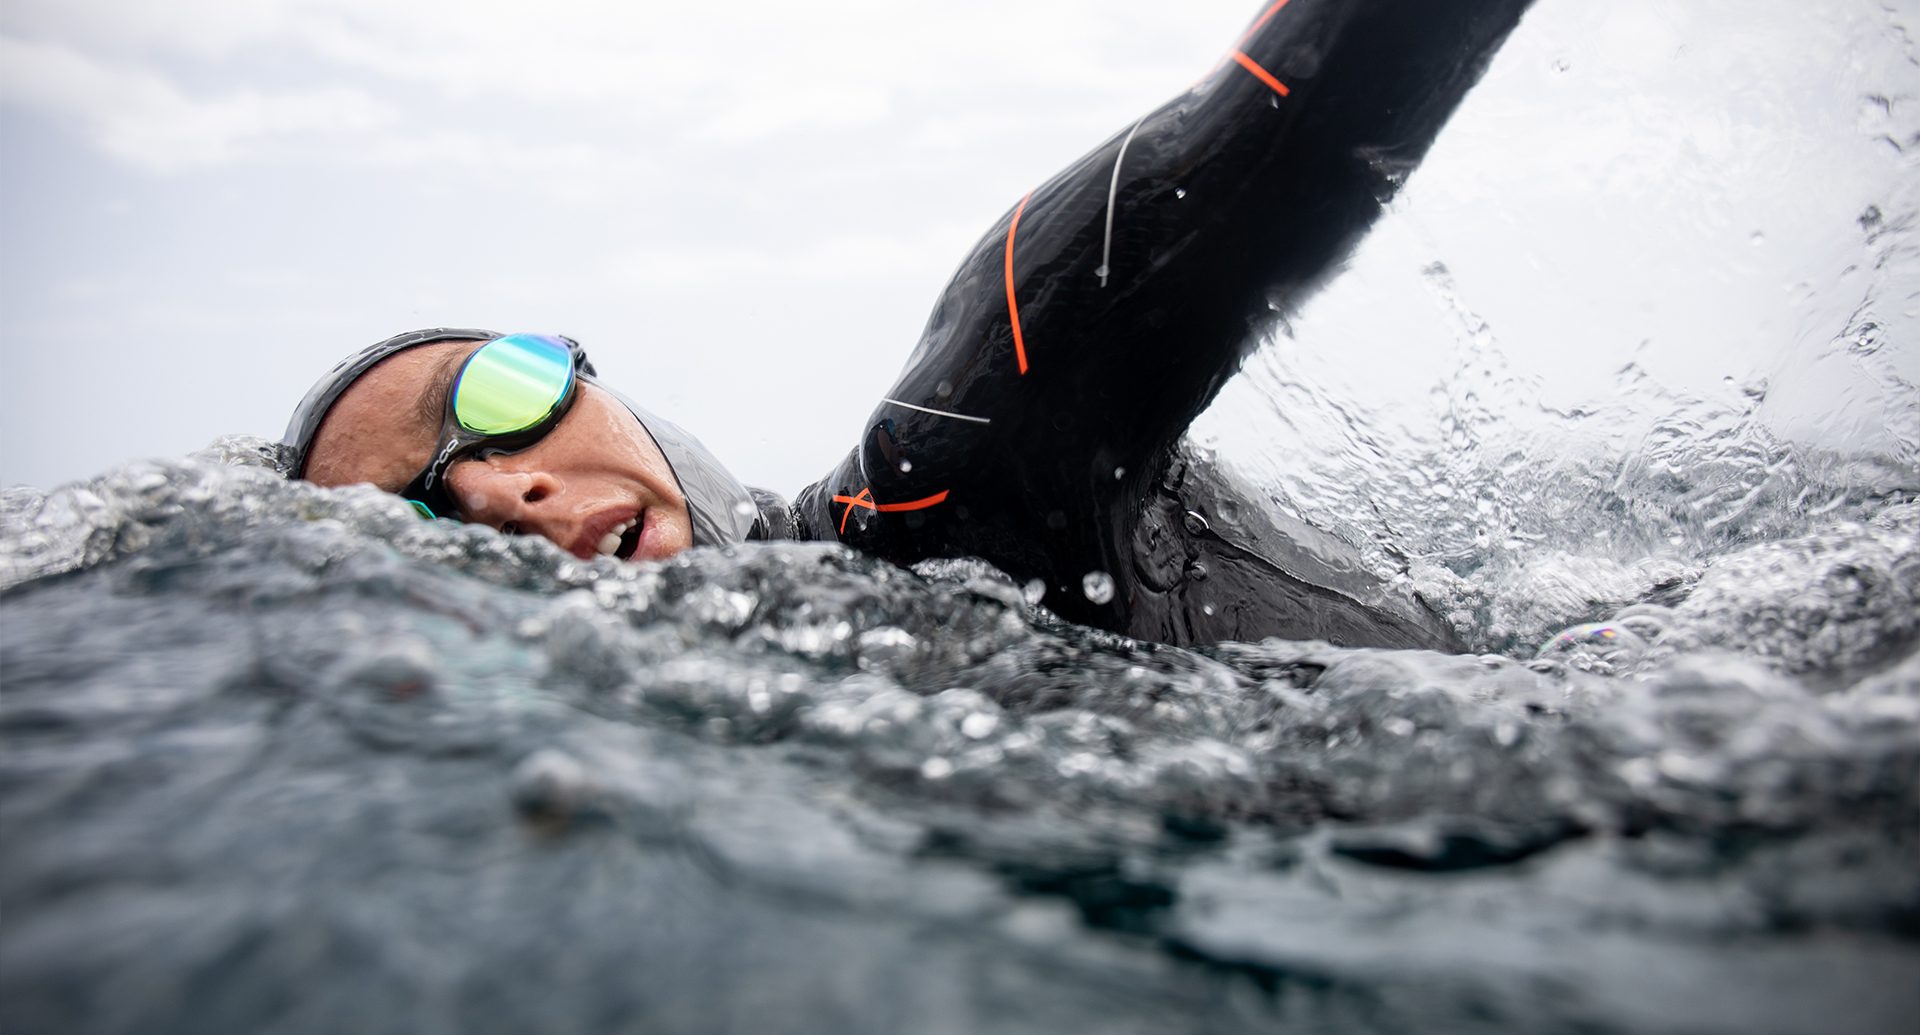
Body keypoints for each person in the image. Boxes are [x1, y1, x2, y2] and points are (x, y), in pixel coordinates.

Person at [282, 0, 1534, 650]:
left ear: (590, 375)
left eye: (497, 394)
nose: (509, 496)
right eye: (415, 518)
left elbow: (1294, 120)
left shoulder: (948, 486)